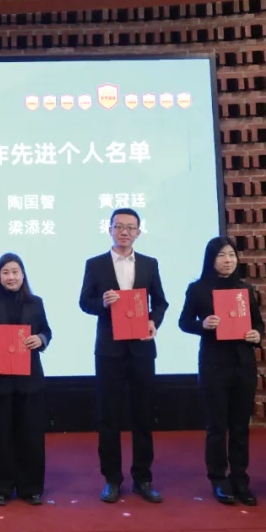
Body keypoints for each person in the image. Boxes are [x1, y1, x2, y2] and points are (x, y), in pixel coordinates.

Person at [79, 208, 169, 504]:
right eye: (119, 226)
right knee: (109, 416)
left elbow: (161, 302)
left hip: (142, 348)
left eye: (131, 227)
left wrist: (153, 321)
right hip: (109, 350)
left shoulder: (149, 264)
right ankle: (112, 479)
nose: (125, 232)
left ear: (139, 232)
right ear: (110, 229)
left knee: (143, 415)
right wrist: (102, 303)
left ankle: (143, 478)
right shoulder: (95, 264)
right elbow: (84, 302)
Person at [177, 237, 263, 506]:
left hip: (243, 364)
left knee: (240, 426)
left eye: (232, 255)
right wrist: (203, 324)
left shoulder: (245, 289)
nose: (228, 260)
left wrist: (256, 335)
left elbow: (258, 325)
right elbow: (184, 322)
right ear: (211, 259)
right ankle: (218, 478)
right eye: (222, 255)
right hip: (214, 364)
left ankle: (240, 478)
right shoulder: (198, 289)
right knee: (217, 426)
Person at [0, 253, 52, 506]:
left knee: (30, 435)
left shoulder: (36, 303)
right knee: (0, 436)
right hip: (1, 379)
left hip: (30, 380)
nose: (11, 277)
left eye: (15, 272)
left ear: (23, 275)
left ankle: (31, 488)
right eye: (5, 272)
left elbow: (46, 331)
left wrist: (40, 339)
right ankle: (0, 488)